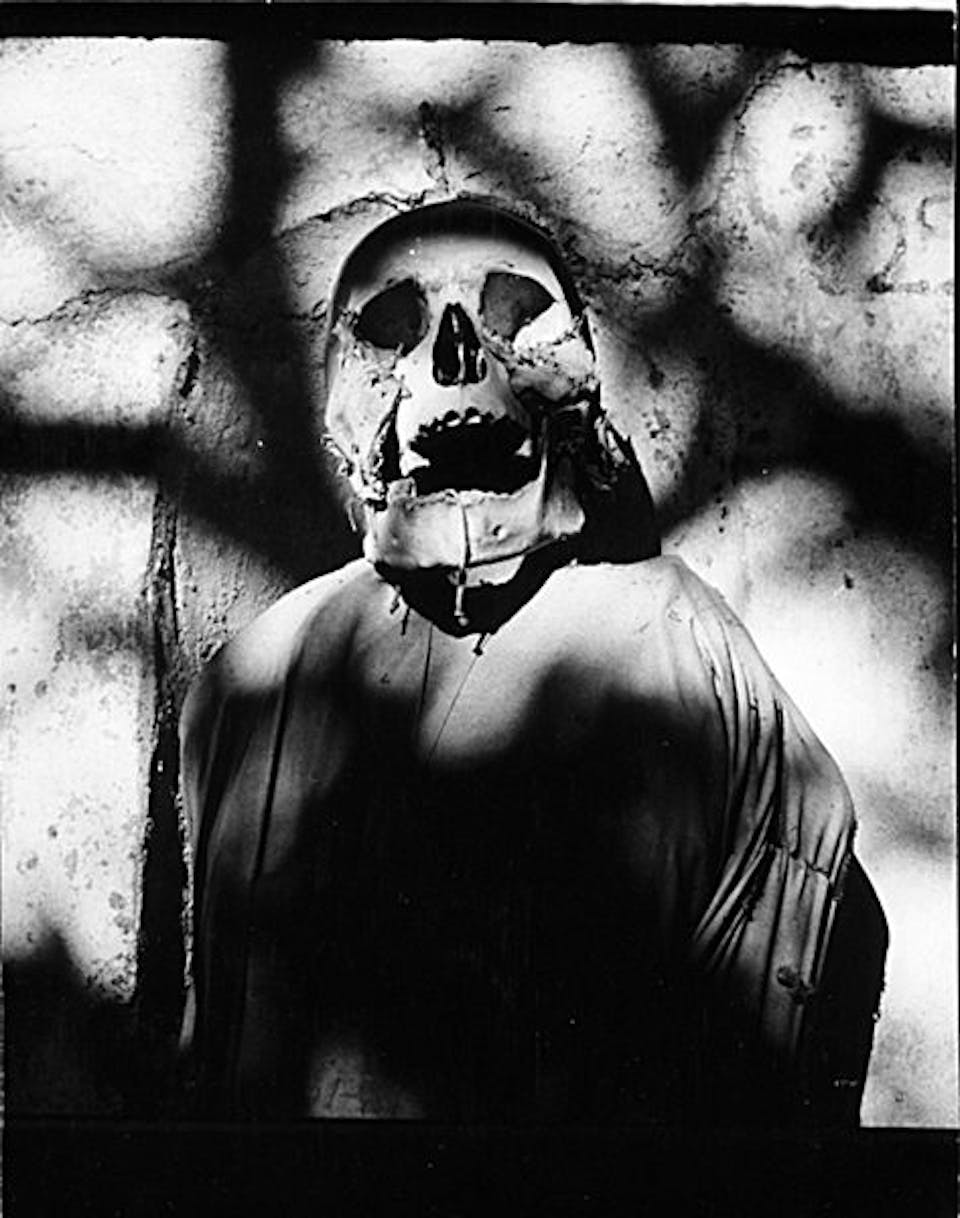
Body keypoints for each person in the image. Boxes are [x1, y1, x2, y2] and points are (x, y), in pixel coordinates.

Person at [179, 200, 886, 1123]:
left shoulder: (680, 645)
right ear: (336, 411)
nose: (457, 361)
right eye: (391, 332)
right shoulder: (260, 676)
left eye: (519, 323)